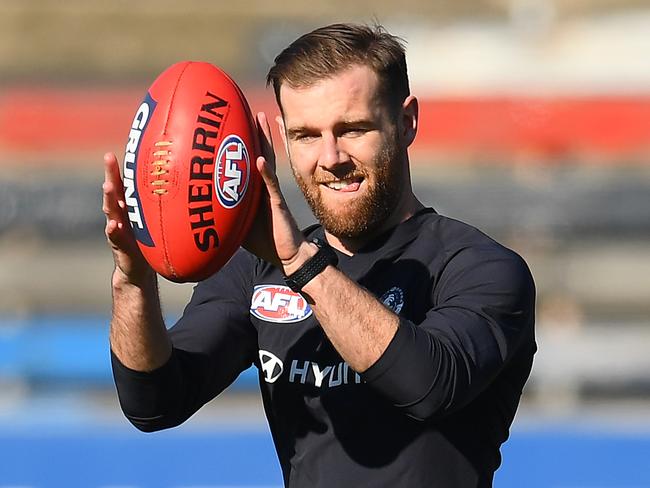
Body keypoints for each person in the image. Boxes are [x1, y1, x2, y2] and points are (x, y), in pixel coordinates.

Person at [103, 23, 536, 488]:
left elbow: (429, 385)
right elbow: (154, 402)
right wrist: (133, 281)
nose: (330, 157)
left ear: (406, 122)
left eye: (352, 129)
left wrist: (303, 266)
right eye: (306, 136)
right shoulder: (257, 269)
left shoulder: (480, 267)